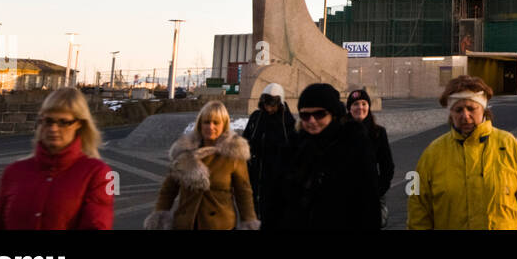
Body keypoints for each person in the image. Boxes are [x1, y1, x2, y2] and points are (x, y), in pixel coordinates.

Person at [408, 75, 517, 230]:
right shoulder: (432, 154)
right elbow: (418, 208)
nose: (465, 116)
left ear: (484, 109)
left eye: (471, 108)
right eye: (458, 110)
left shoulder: (509, 146)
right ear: (451, 113)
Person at [0, 87, 113, 230]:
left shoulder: (97, 174)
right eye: (48, 121)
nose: (53, 128)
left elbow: (96, 225)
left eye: (63, 122)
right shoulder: (14, 172)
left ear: (79, 124)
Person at [264, 83, 380, 230]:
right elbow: (276, 201)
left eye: (319, 114)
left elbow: (368, 204)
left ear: (333, 114)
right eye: (305, 115)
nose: (312, 120)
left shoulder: (354, 146)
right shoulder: (294, 147)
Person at [145, 101, 257, 230]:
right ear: (200, 124)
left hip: (220, 225)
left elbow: (243, 193)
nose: (210, 127)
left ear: (224, 125)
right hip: (185, 223)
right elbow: (168, 190)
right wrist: (160, 215)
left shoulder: (233, 155)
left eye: (216, 123)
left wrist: (248, 221)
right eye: (206, 122)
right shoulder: (184, 152)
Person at [242, 82, 296, 221]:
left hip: (279, 177)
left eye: (273, 105)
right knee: (257, 212)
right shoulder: (257, 117)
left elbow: (293, 148)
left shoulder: (287, 121)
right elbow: (245, 140)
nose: (269, 108)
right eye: (266, 104)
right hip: (257, 173)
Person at [346, 88, 395, 226]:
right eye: (355, 104)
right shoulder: (341, 131)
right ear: (349, 108)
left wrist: (378, 190)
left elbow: (388, 166)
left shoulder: (378, 132)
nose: (360, 107)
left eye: (363, 103)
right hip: (345, 197)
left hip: (370, 197)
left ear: (368, 106)